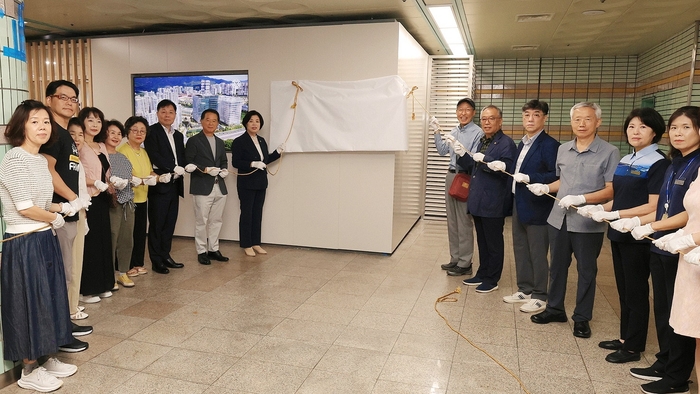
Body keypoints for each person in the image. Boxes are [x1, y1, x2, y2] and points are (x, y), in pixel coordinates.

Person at [613, 106, 700, 394]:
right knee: (666, 309)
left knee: (684, 315)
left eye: (685, 127)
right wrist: (647, 225)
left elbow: (690, 213)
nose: (678, 133)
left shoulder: (695, 163)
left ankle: (677, 375)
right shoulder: (676, 162)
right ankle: (665, 361)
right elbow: (664, 206)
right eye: (675, 127)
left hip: (685, 248)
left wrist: (646, 223)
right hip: (662, 244)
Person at [577, 108, 670, 364]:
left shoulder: (659, 163)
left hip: (639, 233)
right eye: (631, 127)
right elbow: (619, 196)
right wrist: (599, 208)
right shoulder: (627, 159)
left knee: (637, 290)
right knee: (624, 289)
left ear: (655, 132)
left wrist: (616, 214)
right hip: (619, 233)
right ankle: (625, 337)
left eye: (642, 127)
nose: (635, 132)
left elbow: (653, 205)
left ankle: (633, 347)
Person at [0, 100, 78, 392]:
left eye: (46, 121)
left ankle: (46, 357)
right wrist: (54, 218)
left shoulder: (38, 159)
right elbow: (24, 207)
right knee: (29, 304)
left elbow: (43, 204)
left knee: (51, 298)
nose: (43, 127)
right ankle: (29, 369)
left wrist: (64, 207)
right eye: (35, 121)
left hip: (44, 235)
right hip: (24, 241)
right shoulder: (15, 159)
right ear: (20, 126)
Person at [527, 102, 619, 339]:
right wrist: (546, 186)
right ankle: (555, 309)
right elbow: (562, 182)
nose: (581, 123)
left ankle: (582, 318)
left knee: (586, 271)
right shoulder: (563, 149)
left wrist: (583, 198)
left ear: (598, 122)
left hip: (587, 222)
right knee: (556, 267)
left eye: (587, 119)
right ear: (571, 122)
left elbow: (610, 190)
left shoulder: (609, 152)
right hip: (558, 218)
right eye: (577, 119)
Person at [41, 80, 92, 350]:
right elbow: (48, 171)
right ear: (49, 99)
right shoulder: (50, 133)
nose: (70, 102)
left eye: (74, 99)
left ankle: (65, 323)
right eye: (63, 97)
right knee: (60, 275)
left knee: (67, 274)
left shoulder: (64, 133)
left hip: (71, 213)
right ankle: (59, 334)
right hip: (58, 213)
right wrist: (73, 198)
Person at [452, 105, 517, 293]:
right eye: (484, 119)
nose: (487, 122)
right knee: (482, 240)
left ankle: (492, 278)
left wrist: (486, 160)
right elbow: (473, 166)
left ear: (500, 120)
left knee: (494, 242)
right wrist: (462, 154)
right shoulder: (483, 141)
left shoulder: (506, 143)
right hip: (478, 200)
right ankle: (482, 272)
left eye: (491, 119)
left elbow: (507, 169)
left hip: (493, 201)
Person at [504, 100, 560, 313]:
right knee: (520, 248)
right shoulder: (523, 143)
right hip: (520, 202)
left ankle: (540, 294)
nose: (530, 119)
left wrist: (530, 177)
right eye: (526, 114)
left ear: (544, 118)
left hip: (538, 205)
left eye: (536, 115)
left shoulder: (549, 144)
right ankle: (525, 288)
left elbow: (554, 176)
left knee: (537, 251)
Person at [430, 98, 484, 276]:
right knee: (452, 221)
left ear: (473, 113)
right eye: (460, 109)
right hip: (451, 175)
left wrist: (461, 149)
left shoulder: (478, 133)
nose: (463, 113)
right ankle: (455, 259)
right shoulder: (453, 130)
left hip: (465, 177)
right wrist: (437, 131)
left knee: (463, 221)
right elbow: (442, 151)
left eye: (467, 109)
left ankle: (465, 262)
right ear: (456, 112)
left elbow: (476, 158)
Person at [231, 110, 283, 257]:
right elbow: (236, 162)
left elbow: (264, 160)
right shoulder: (239, 141)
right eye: (251, 121)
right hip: (246, 183)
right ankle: (246, 244)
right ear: (246, 123)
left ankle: (256, 243)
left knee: (257, 213)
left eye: (257, 121)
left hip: (261, 183)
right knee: (247, 213)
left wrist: (277, 152)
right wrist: (252, 163)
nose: (254, 124)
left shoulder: (261, 140)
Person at [77, 107, 116, 301]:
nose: (95, 124)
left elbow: (104, 172)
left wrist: (111, 181)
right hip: (88, 198)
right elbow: (77, 175)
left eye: (99, 121)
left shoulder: (101, 146)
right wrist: (95, 183)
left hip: (102, 198)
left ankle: (104, 284)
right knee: (91, 243)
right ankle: (87, 289)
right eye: (90, 120)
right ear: (82, 122)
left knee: (102, 242)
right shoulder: (79, 146)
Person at [144, 99, 186, 274]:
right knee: (157, 223)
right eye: (163, 111)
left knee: (169, 223)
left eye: (171, 112)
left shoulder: (178, 135)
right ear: (157, 113)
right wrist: (171, 167)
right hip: (160, 183)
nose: (167, 115)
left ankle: (165, 255)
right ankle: (156, 260)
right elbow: (154, 155)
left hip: (175, 184)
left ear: (175, 115)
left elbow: (181, 157)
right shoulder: (151, 132)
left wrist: (184, 167)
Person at [185, 109, 230, 265]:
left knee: (216, 220)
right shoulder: (194, 141)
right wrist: (205, 169)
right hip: (202, 186)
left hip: (220, 186)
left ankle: (213, 249)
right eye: (208, 120)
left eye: (214, 120)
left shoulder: (219, 141)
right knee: (201, 221)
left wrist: (224, 170)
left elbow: (224, 161)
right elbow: (188, 162)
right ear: (201, 121)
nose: (211, 123)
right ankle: (202, 251)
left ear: (218, 123)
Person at [118, 116, 157, 277]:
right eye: (135, 130)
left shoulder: (144, 151)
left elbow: (149, 171)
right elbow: (124, 175)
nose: (139, 134)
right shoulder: (122, 150)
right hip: (128, 199)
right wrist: (140, 180)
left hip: (142, 198)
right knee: (127, 235)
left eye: (142, 131)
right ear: (128, 132)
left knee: (140, 233)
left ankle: (138, 263)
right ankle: (125, 266)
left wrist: (156, 177)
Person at [104, 120, 137, 287]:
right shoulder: (101, 156)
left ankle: (123, 273)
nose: (116, 136)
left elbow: (129, 177)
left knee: (126, 239)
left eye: (119, 133)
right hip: (112, 204)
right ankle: (109, 275)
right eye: (112, 133)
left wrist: (134, 181)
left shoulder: (123, 157)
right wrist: (111, 184)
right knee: (112, 238)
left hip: (128, 203)